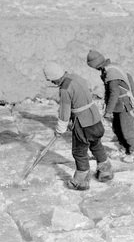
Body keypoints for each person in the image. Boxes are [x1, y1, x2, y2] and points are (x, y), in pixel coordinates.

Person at [43, 62, 113, 190]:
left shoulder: (65, 88)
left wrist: (60, 129)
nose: (52, 83)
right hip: (95, 118)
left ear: (56, 76)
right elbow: (79, 98)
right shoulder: (76, 77)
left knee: (79, 151)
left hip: (83, 123)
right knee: (95, 144)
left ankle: (81, 179)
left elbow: (64, 110)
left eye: (52, 80)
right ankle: (105, 170)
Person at [86, 50, 134, 163]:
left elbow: (114, 93)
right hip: (119, 105)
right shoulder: (110, 67)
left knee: (127, 129)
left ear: (95, 65)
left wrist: (108, 111)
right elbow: (128, 78)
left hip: (124, 105)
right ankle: (125, 148)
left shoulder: (111, 72)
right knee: (117, 128)